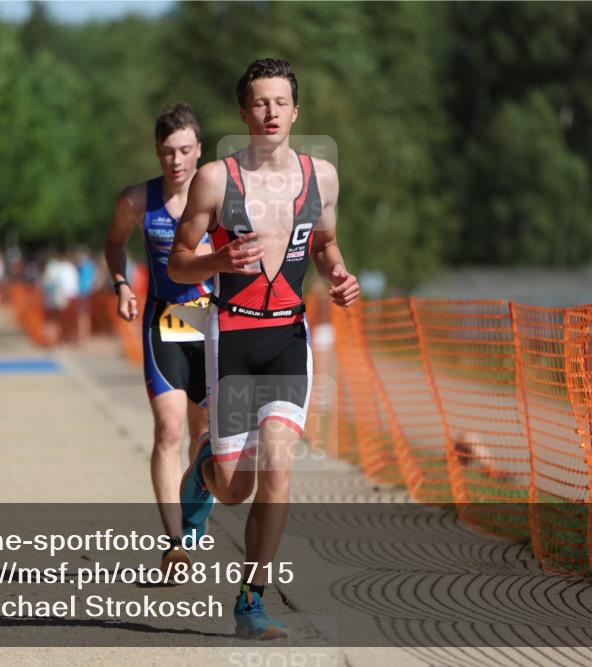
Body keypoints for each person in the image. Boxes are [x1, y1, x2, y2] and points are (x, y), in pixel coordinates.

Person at [168, 59, 360, 639]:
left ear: (296, 111)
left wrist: (341, 275)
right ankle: (204, 470)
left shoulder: (321, 177)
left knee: (278, 462)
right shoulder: (214, 179)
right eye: (259, 102)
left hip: (288, 337)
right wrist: (216, 261)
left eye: (281, 102)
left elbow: (325, 245)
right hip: (232, 335)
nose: (271, 112)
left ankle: (251, 600)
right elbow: (179, 261)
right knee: (236, 488)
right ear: (244, 112)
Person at [105, 103, 213, 576]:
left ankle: (193, 514)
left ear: (199, 151)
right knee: (168, 430)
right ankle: (175, 544)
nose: (176, 161)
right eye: (168, 152)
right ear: (157, 151)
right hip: (164, 321)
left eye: (185, 151)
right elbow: (114, 243)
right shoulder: (136, 201)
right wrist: (122, 285)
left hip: (211, 321)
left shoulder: (220, 197)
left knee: (204, 434)